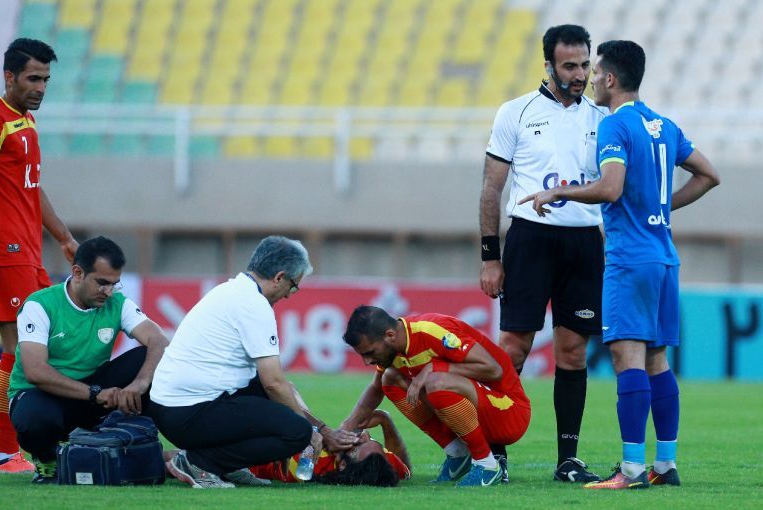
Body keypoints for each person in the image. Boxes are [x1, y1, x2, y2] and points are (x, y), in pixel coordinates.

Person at [521, 40, 720, 489]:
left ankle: (630, 470)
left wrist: (559, 190)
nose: (591, 79)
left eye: (595, 73)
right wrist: (661, 207)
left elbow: (610, 189)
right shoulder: (663, 124)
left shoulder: (615, 125)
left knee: (626, 355)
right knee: (656, 359)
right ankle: (664, 465)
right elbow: (710, 175)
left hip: (629, 258)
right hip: (664, 257)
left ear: (610, 78)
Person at [478, 24, 606, 483]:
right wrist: (490, 256)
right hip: (530, 239)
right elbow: (492, 189)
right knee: (514, 347)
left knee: (573, 352)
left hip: (584, 241)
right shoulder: (516, 112)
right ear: (548, 65)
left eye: (585, 65)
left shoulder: (602, 118)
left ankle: (567, 459)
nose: (579, 74)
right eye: (569, 66)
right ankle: (494, 454)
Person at [150, 235, 359, 489]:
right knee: (296, 433)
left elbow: (279, 388)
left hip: (173, 408)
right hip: (188, 413)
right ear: (279, 277)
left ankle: (225, 465)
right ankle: (199, 463)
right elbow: (274, 383)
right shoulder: (254, 305)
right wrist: (309, 432)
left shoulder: (232, 290)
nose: (289, 295)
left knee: (283, 399)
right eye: (293, 286)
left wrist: (321, 430)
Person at [7, 236, 169, 483]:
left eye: (114, 284)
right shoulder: (40, 304)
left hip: (92, 393)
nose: (109, 291)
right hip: (41, 394)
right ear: (78, 273)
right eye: (102, 283)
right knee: (35, 419)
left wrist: (140, 383)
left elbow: (159, 340)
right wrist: (95, 393)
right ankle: (47, 458)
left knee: (153, 361)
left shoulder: (117, 303)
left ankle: (133, 442)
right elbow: (35, 371)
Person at [0, 38, 78, 473]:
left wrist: (63, 236)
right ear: (9, 77)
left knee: (39, 346)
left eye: (46, 80)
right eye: (33, 78)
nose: (41, 88)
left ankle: (28, 441)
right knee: (17, 352)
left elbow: (30, 185)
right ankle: (3, 451)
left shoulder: (25, 121)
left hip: (26, 251)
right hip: (6, 252)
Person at [341, 305, 531, 487]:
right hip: (476, 412)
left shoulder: (433, 332)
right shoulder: (394, 349)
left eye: (370, 353)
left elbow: (493, 370)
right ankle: (457, 453)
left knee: (436, 381)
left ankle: (486, 464)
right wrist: (345, 429)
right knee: (389, 379)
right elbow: (376, 389)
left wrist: (434, 368)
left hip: (508, 412)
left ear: (390, 336)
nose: (367, 361)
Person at [163, 409, 410, 486]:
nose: (364, 435)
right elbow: (404, 468)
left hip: (244, 460)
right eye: (373, 440)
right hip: (256, 437)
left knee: (171, 460)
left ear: (342, 464)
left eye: (358, 444)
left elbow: (291, 410)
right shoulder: (379, 466)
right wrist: (386, 421)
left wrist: (319, 434)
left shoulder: (314, 467)